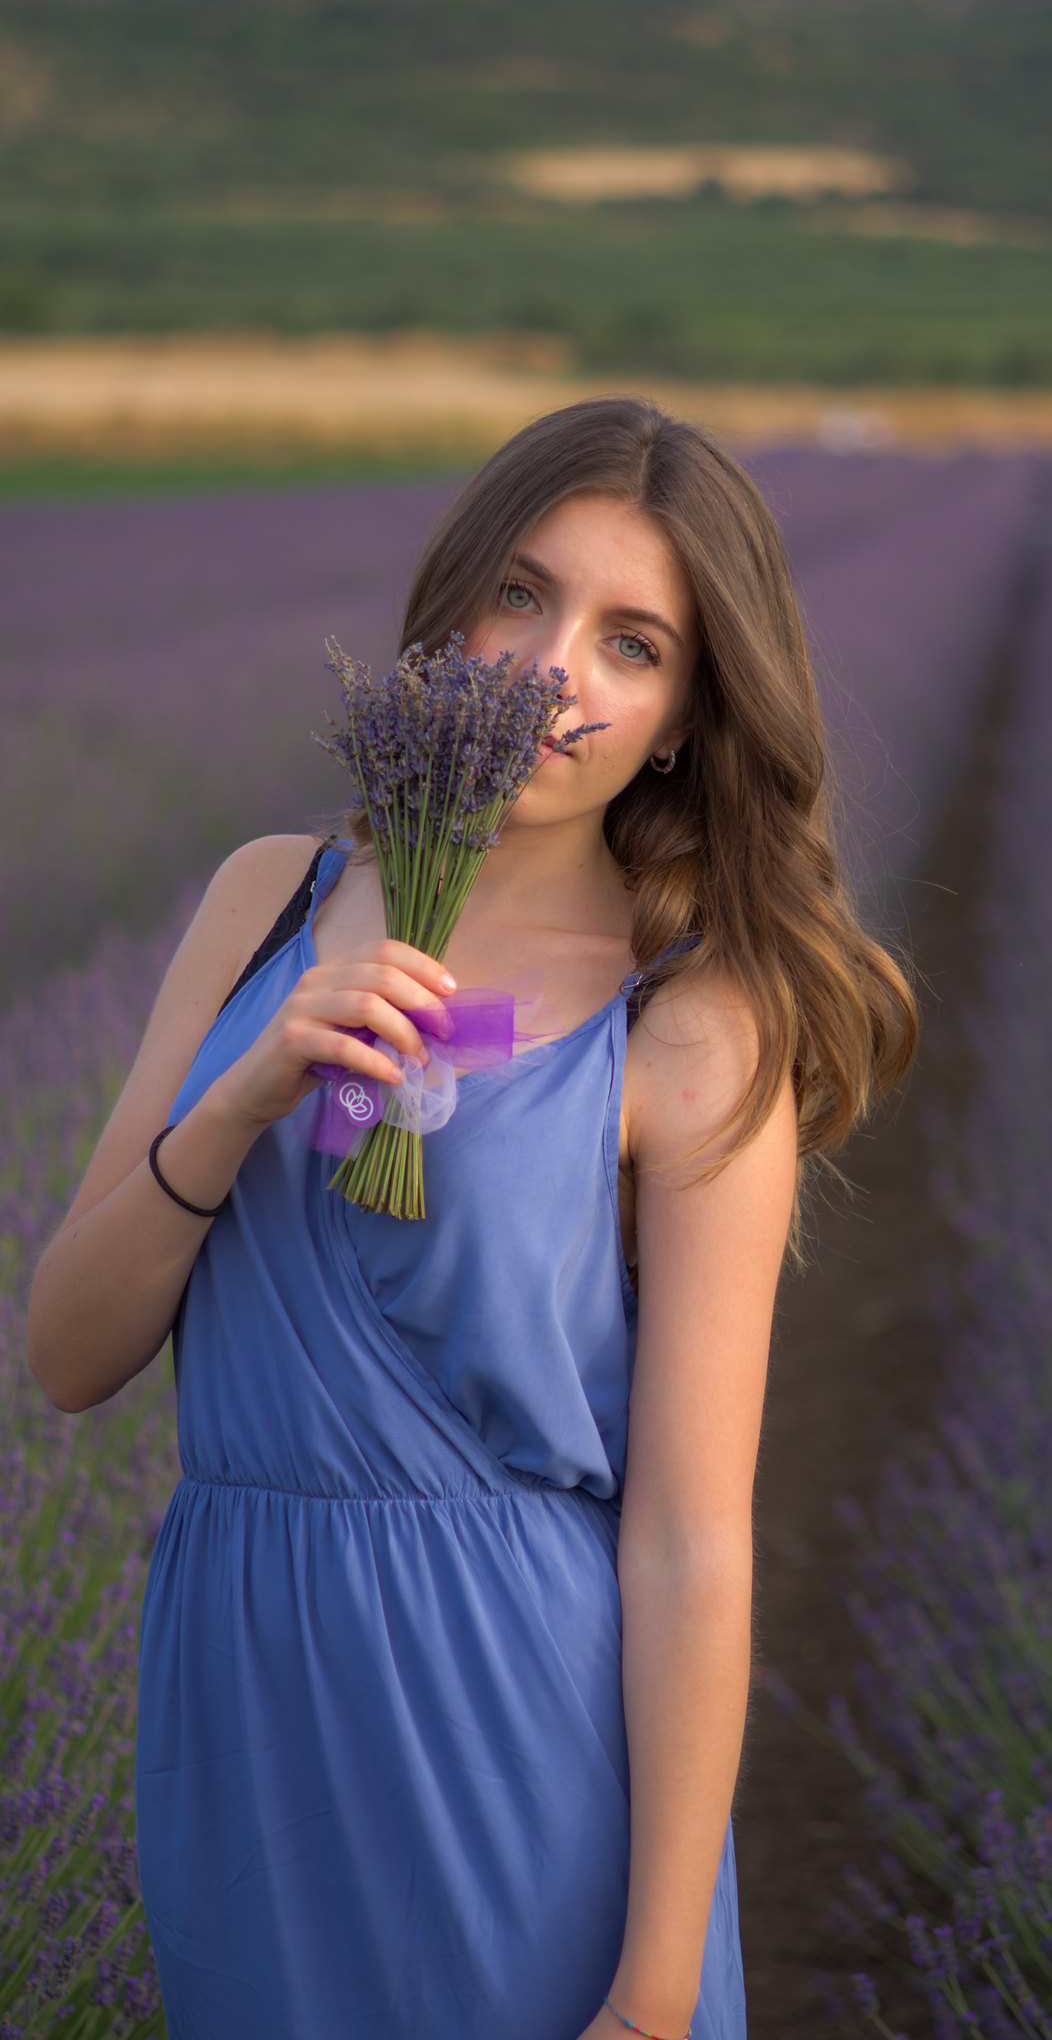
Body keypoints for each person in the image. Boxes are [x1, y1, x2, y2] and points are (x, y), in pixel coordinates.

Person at [26, 397, 917, 2040]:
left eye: (632, 642)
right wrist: (240, 1100)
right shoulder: (264, 901)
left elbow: (689, 1535)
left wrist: (653, 1992)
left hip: (509, 1720)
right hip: (245, 1696)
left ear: (681, 717)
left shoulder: (698, 1020)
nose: (550, 670)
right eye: (521, 595)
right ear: (446, 611)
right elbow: (72, 1354)